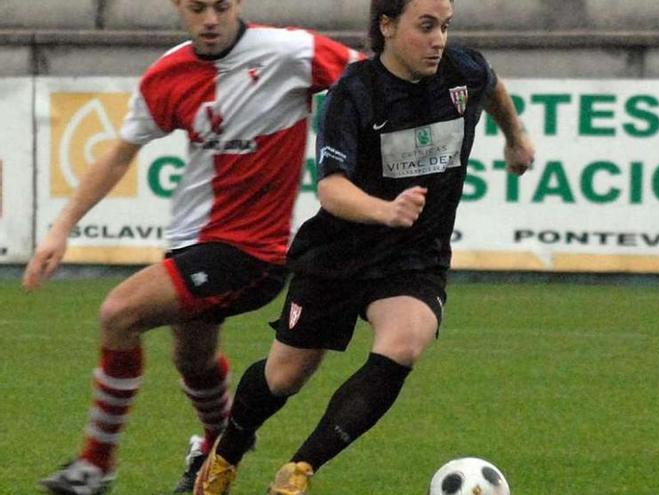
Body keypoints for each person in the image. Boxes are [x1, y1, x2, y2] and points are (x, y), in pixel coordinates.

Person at [192, 0, 536, 493]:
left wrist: (515, 138)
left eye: (445, 26)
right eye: (426, 26)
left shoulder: (463, 70)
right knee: (284, 376)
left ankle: (299, 471)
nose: (439, 39)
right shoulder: (353, 94)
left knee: (406, 340)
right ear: (387, 26)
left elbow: (493, 85)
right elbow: (331, 189)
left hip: (415, 256)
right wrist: (385, 211)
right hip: (339, 254)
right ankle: (227, 450)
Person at [24, 1, 360, 493]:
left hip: (252, 251)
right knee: (194, 359)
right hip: (191, 242)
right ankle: (216, 452)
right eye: (197, 7)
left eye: (220, 6)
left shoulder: (291, 52)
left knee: (118, 313)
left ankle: (94, 467)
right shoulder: (169, 74)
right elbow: (120, 153)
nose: (209, 19)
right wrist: (61, 227)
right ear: (179, 7)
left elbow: (374, 77)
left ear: (237, 4)